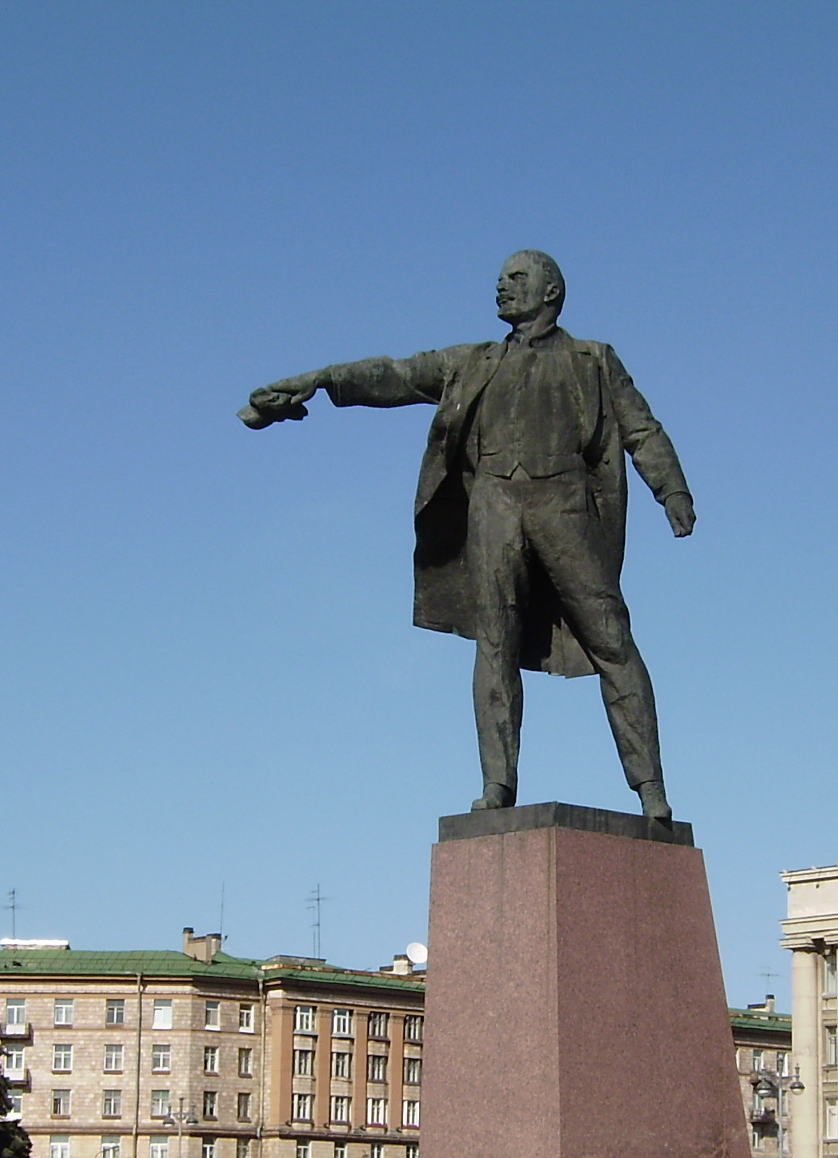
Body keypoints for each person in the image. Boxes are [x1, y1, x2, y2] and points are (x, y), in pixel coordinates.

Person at [242, 251, 697, 819]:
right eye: (501, 280)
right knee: (495, 643)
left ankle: (650, 789)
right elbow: (395, 374)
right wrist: (317, 380)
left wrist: (672, 492)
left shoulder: (593, 360)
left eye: (516, 279)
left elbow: (642, 429)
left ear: (551, 291)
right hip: (494, 508)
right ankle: (498, 786)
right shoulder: (473, 361)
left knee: (611, 640)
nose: (501, 288)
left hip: (566, 505)